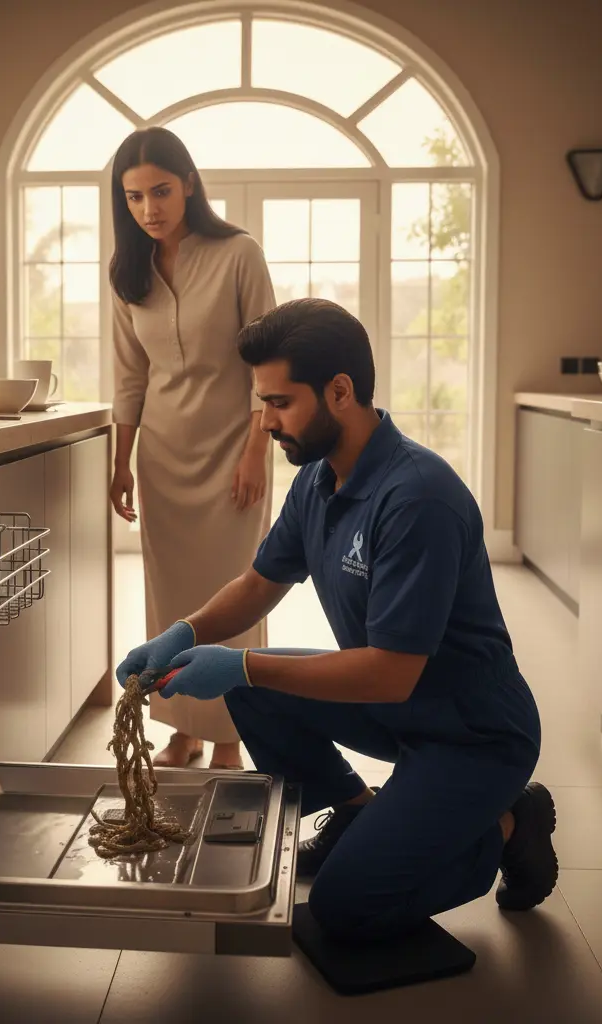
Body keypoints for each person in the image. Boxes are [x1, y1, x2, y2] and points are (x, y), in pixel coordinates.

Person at [116, 297, 559, 942]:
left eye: (279, 402)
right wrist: (184, 634)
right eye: (262, 402)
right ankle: (358, 811)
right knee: (250, 685)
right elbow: (260, 583)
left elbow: (390, 675)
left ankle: (508, 825)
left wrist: (240, 661)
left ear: (340, 392)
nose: (264, 422)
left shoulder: (418, 499)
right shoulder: (319, 476)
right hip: (402, 708)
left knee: (345, 906)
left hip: (472, 731)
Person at [109, 127, 276, 771]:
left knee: (235, 595)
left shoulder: (239, 254)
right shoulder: (126, 271)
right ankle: (180, 729)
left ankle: (231, 735)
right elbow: (130, 375)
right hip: (163, 457)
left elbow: (268, 364)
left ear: (189, 185)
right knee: (172, 599)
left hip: (234, 451)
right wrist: (120, 460)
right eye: (134, 197)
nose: (149, 208)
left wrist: (257, 451)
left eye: (160, 191)